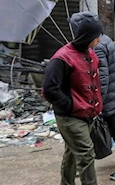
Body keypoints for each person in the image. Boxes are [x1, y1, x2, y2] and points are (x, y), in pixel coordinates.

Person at [70, 12, 115, 181]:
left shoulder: (97, 46)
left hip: (105, 98)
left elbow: (103, 76)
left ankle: (85, 167)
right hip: (112, 95)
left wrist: (97, 101)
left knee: (86, 134)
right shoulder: (105, 39)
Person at [43, 13, 103, 185]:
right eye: (96, 37)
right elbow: (49, 89)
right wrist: (69, 105)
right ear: (87, 37)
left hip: (87, 114)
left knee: (72, 152)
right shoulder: (62, 58)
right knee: (86, 153)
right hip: (70, 116)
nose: (99, 40)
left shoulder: (90, 53)